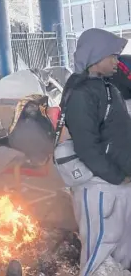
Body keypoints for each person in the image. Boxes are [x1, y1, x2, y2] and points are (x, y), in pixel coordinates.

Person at [58, 28, 131, 275]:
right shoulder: (81, 93)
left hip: (119, 182)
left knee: (122, 253)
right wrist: (117, 176)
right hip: (100, 186)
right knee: (99, 254)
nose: (116, 61)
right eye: (111, 55)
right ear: (94, 57)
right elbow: (87, 147)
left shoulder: (107, 87)